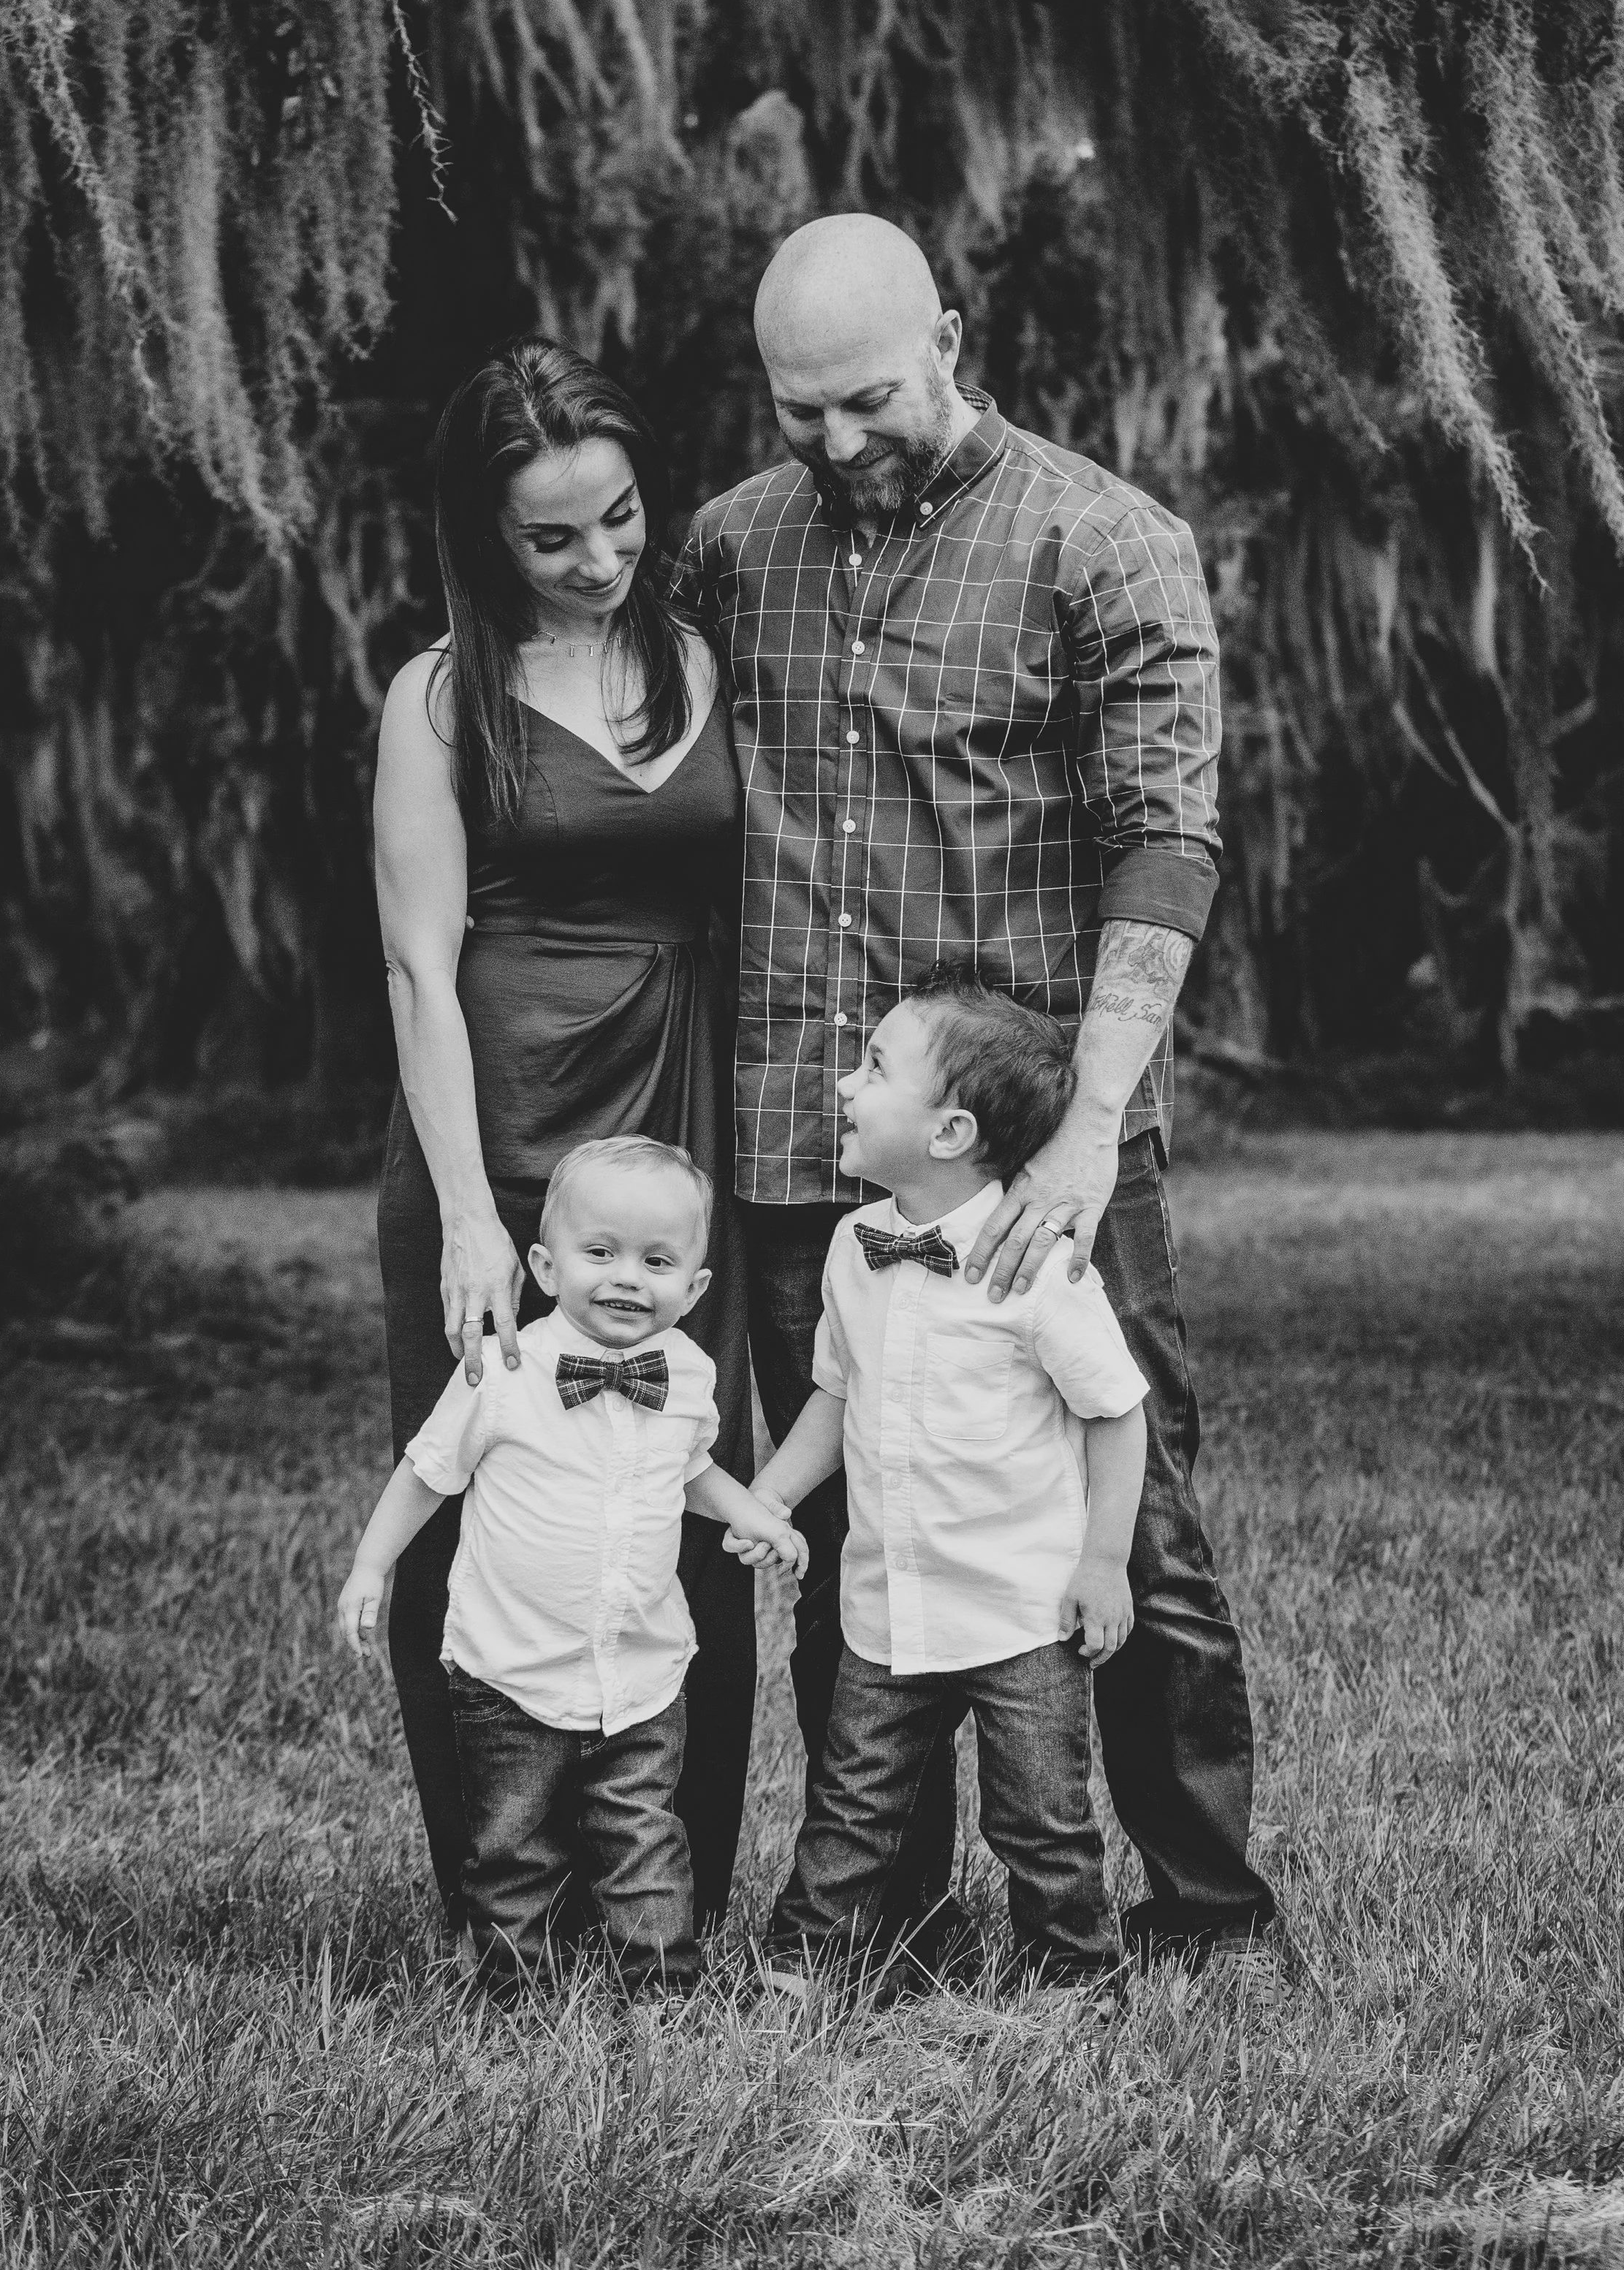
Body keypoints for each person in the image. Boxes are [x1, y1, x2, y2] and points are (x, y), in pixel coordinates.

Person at [675, 212, 1275, 1966]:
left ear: (951, 332)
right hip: (808, 1121)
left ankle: (1207, 1911)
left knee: (1133, 1522)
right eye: (801, 414)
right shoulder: (726, 544)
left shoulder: (1105, 542)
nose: (839, 443)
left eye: (868, 398)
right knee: (856, 1525)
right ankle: (900, 1909)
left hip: (1039, 1148)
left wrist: (1092, 1123)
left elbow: (1165, 842)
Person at [375, 336, 756, 1938]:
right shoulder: (441, 695)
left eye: (617, 518)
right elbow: (417, 962)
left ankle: (668, 1897)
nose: (598, 559)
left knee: (692, 1478)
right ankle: (501, 1899)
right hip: (504, 1115)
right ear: (485, 538)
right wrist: (470, 1209)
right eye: (553, 537)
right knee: (485, 1505)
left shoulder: (700, 656)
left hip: (681, 1126)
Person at [739, 975, 1148, 1987]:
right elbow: (834, 1399)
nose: (843, 1082)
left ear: (951, 1130)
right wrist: (770, 1495)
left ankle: (1075, 1975)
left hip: (1020, 1610)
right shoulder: (851, 1247)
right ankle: (803, 1960)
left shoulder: (1039, 1269)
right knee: (851, 1802)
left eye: (873, 1067)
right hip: (891, 1602)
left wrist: (1104, 1563)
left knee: (1041, 1819)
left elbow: (1116, 1411)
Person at [341, 1137, 805, 1995]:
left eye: (657, 1260)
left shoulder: (690, 1373)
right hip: (510, 1665)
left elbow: (691, 1470)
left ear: (695, 1287)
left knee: (644, 1836)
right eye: (602, 1253)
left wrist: (750, 1511)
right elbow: (425, 1471)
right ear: (546, 1268)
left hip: (639, 1668)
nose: (629, 1277)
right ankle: (512, 1989)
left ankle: (662, 1986)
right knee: (513, 1843)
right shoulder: (504, 1369)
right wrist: (373, 1565)